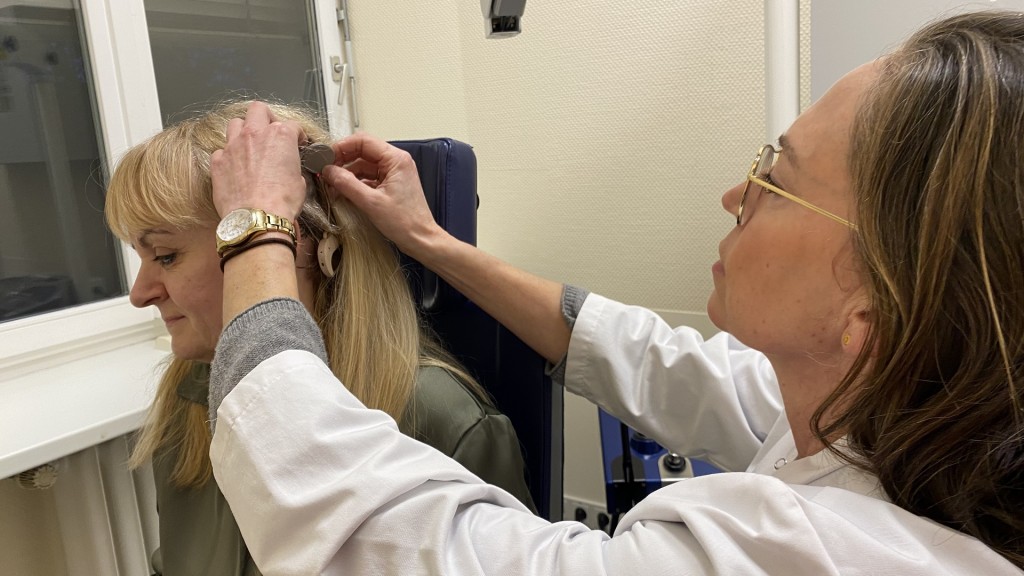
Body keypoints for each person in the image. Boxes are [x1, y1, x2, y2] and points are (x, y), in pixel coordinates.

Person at [204, 10, 1023, 575]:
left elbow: (377, 536)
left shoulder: (819, 555)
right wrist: (430, 241)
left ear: (870, 318)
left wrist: (251, 228)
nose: (736, 196)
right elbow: (648, 359)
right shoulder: (891, 423)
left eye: (777, 179)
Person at [103, 101, 536, 576]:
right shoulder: (188, 393)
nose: (140, 294)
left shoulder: (441, 421)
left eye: (165, 256)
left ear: (299, 247)